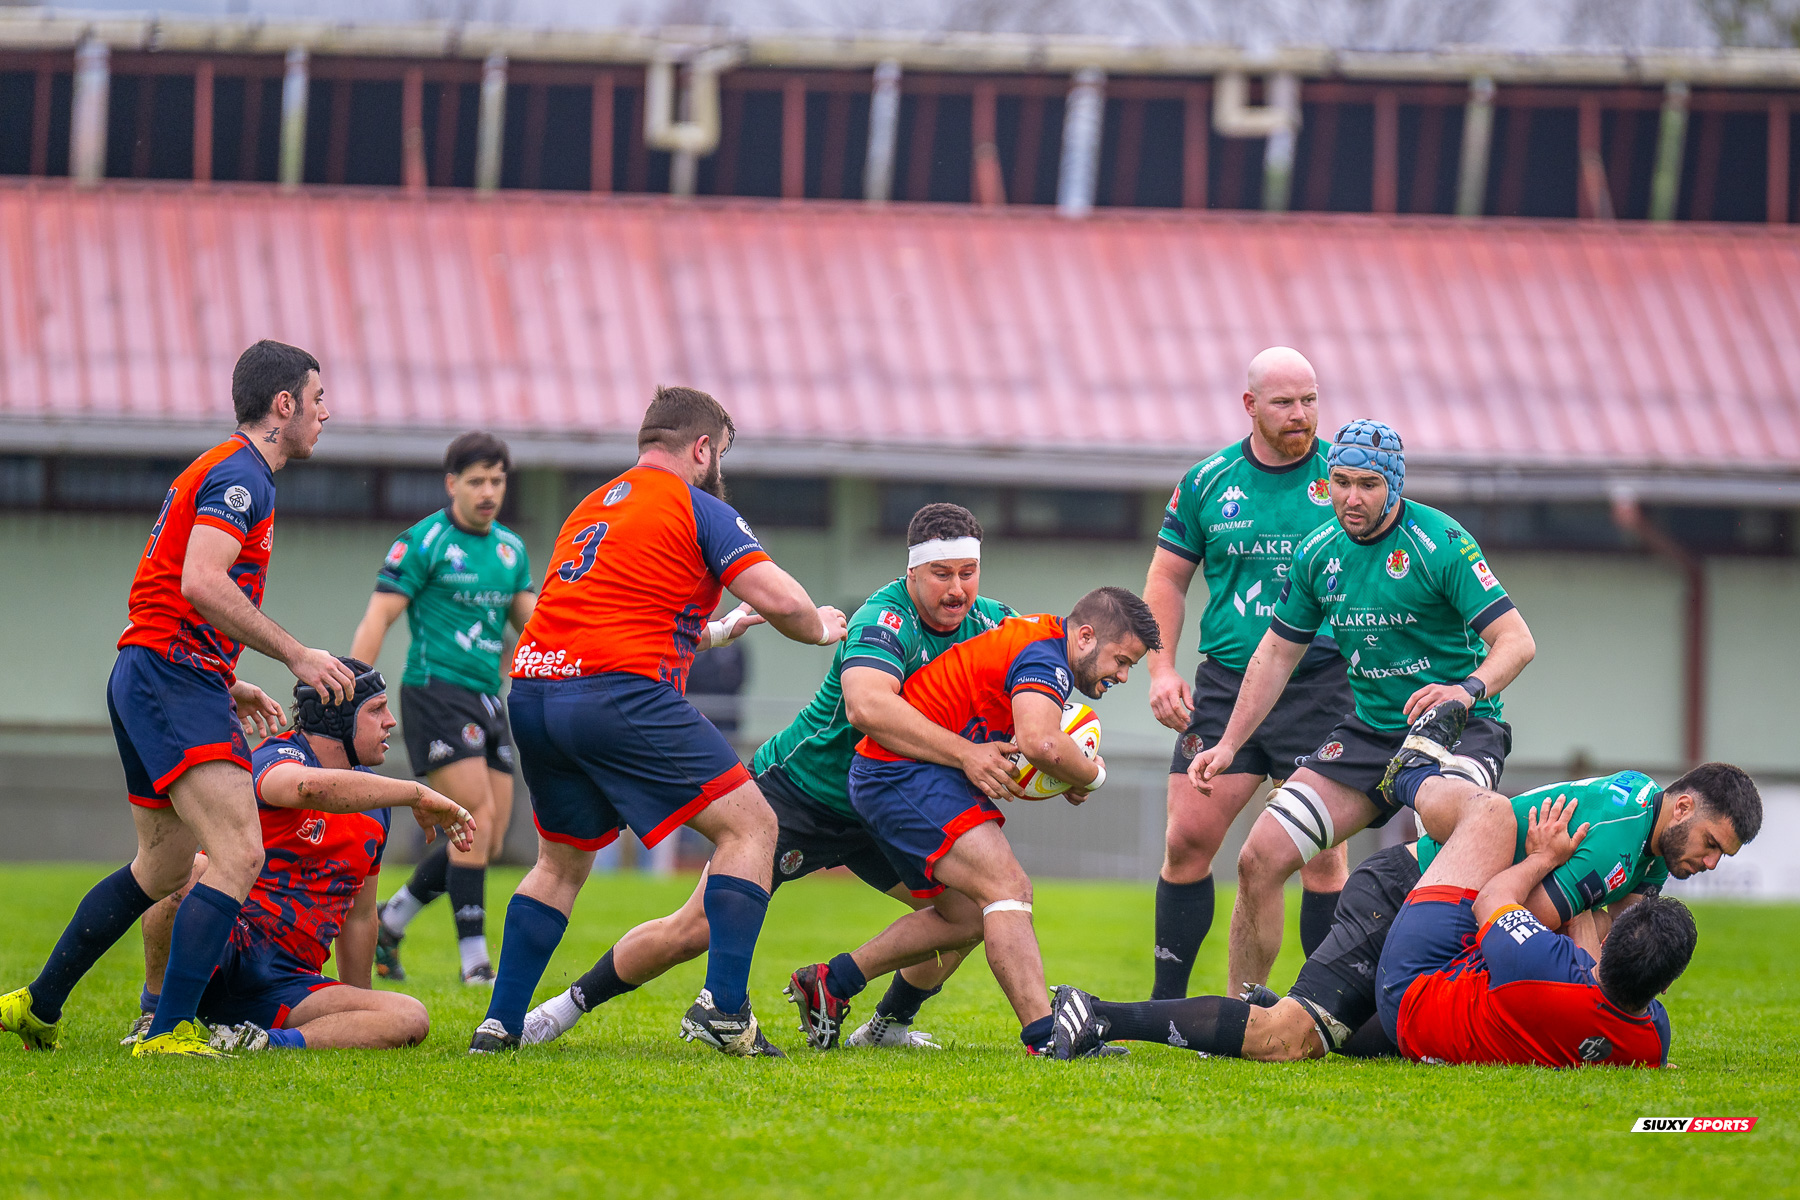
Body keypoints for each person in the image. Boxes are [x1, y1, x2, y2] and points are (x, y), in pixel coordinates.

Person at [521, 504, 1019, 1051]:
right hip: (800, 795)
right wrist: (968, 756)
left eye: (966, 574)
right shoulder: (885, 617)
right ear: (912, 573)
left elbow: (1042, 679)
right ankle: (559, 1010)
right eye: (941, 574)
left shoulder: (994, 624)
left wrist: (1065, 758)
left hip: (883, 806)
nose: (956, 589)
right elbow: (868, 710)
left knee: (968, 913)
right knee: (695, 930)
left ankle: (881, 1023)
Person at [1, 340, 357, 1058]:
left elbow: (174, 588)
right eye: (318, 400)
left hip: (159, 670)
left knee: (164, 866)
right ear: (283, 405)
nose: (327, 413)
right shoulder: (241, 476)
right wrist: (294, 652)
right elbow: (199, 578)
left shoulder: (228, 470)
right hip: (170, 675)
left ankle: (36, 1006)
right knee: (240, 851)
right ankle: (167, 1033)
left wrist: (229, 676)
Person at [469, 386, 848, 1058]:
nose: (716, 466)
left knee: (557, 865)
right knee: (752, 825)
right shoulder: (695, 505)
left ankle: (498, 1024)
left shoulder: (591, 508)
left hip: (534, 690)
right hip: (616, 694)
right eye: (719, 453)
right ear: (701, 448)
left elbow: (616, 615)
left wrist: (720, 630)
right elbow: (782, 597)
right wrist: (819, 627)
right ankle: (725, 1010)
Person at [1044, 762, 1760, 1061]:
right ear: (1686, 805)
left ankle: (1302, 1002)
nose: (1709, 862)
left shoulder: (1652, 846)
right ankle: (1099, 1014)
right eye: (1711, 844)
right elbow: (1514, 921)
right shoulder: (1612, 837)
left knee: (1390, 1038)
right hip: (1407, 897)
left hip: (1444, 918)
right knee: (1289, 1038)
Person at [1186, 418, 1537, 994]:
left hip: (1459, 731)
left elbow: (1517, 640)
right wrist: (1228, 743)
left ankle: (1452, 1002)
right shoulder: (1318, 552)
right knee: (1260, 857)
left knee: (1449, 853)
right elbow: (1274, 655)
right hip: (1370, 734)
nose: (1351, 497)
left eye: (1368, 485)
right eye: (1341, 482)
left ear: (1393, 486)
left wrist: (1464, 691)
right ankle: (1241, 1015)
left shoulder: (1440, 542)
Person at [806, 587, 1159, 1056]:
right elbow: (1041, 743)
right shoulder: (1047, 657)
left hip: (906, 774)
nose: (1124, 675)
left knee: (972, 916)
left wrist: (1061, 764)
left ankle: (832, 983)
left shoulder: (1043, 642)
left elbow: (1035, 747)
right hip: (899, 773)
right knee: (1008, 888)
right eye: (1122, 660)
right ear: (1087, 636)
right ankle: (1047, 1038)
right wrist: (1092, 775)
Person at [123, 661, 475, 1053]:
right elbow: (304, 787)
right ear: (337, 716)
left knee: (409, 1016)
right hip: (223, 946)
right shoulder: (279, 755)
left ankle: (261, 1043)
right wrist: (416, 792)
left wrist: (358, 1005)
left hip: (289, 984)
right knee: (188, 869)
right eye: (376, 710)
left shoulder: (377, 803)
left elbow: (359, 916)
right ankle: (156, 1016)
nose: (390, 721)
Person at [1142, 346, 1352, 1000]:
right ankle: (1166, 1006)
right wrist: (1160, 670)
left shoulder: (1344, 479)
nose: (1301, 414)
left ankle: (1323, 1007)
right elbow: (1168, 578)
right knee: (1187, 842)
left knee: (1321, 857)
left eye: (1311, 399)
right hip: (1227, 683)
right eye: (1285, 402)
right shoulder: (1207, 481)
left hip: (1319, 684)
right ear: (1250, 406)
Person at [350, 431, 536, 986]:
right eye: (476, 480)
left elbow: (538, 625)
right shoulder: (422, 542)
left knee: (491, 836)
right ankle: (475, 961)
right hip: (434, 692)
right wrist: (353, 690)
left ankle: (393, 918)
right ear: (452, 483)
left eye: (497, 481)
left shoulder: (510, 550)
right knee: (473, 819)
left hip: (487, 696)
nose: (488, 492)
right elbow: (379, 617)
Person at [1375, 796, 1691, 1068]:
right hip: (1438, 1040)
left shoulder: (1542, 962)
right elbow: (1596, 990)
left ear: (1608, 944)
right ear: (1665, 987)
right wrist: (1580, 910)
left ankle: (1413, 776)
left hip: (1410, 994)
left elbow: (1490, 900)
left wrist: (1545, 858)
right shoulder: (1652, 1041)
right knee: (1590, 922)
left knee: (1491, 815)